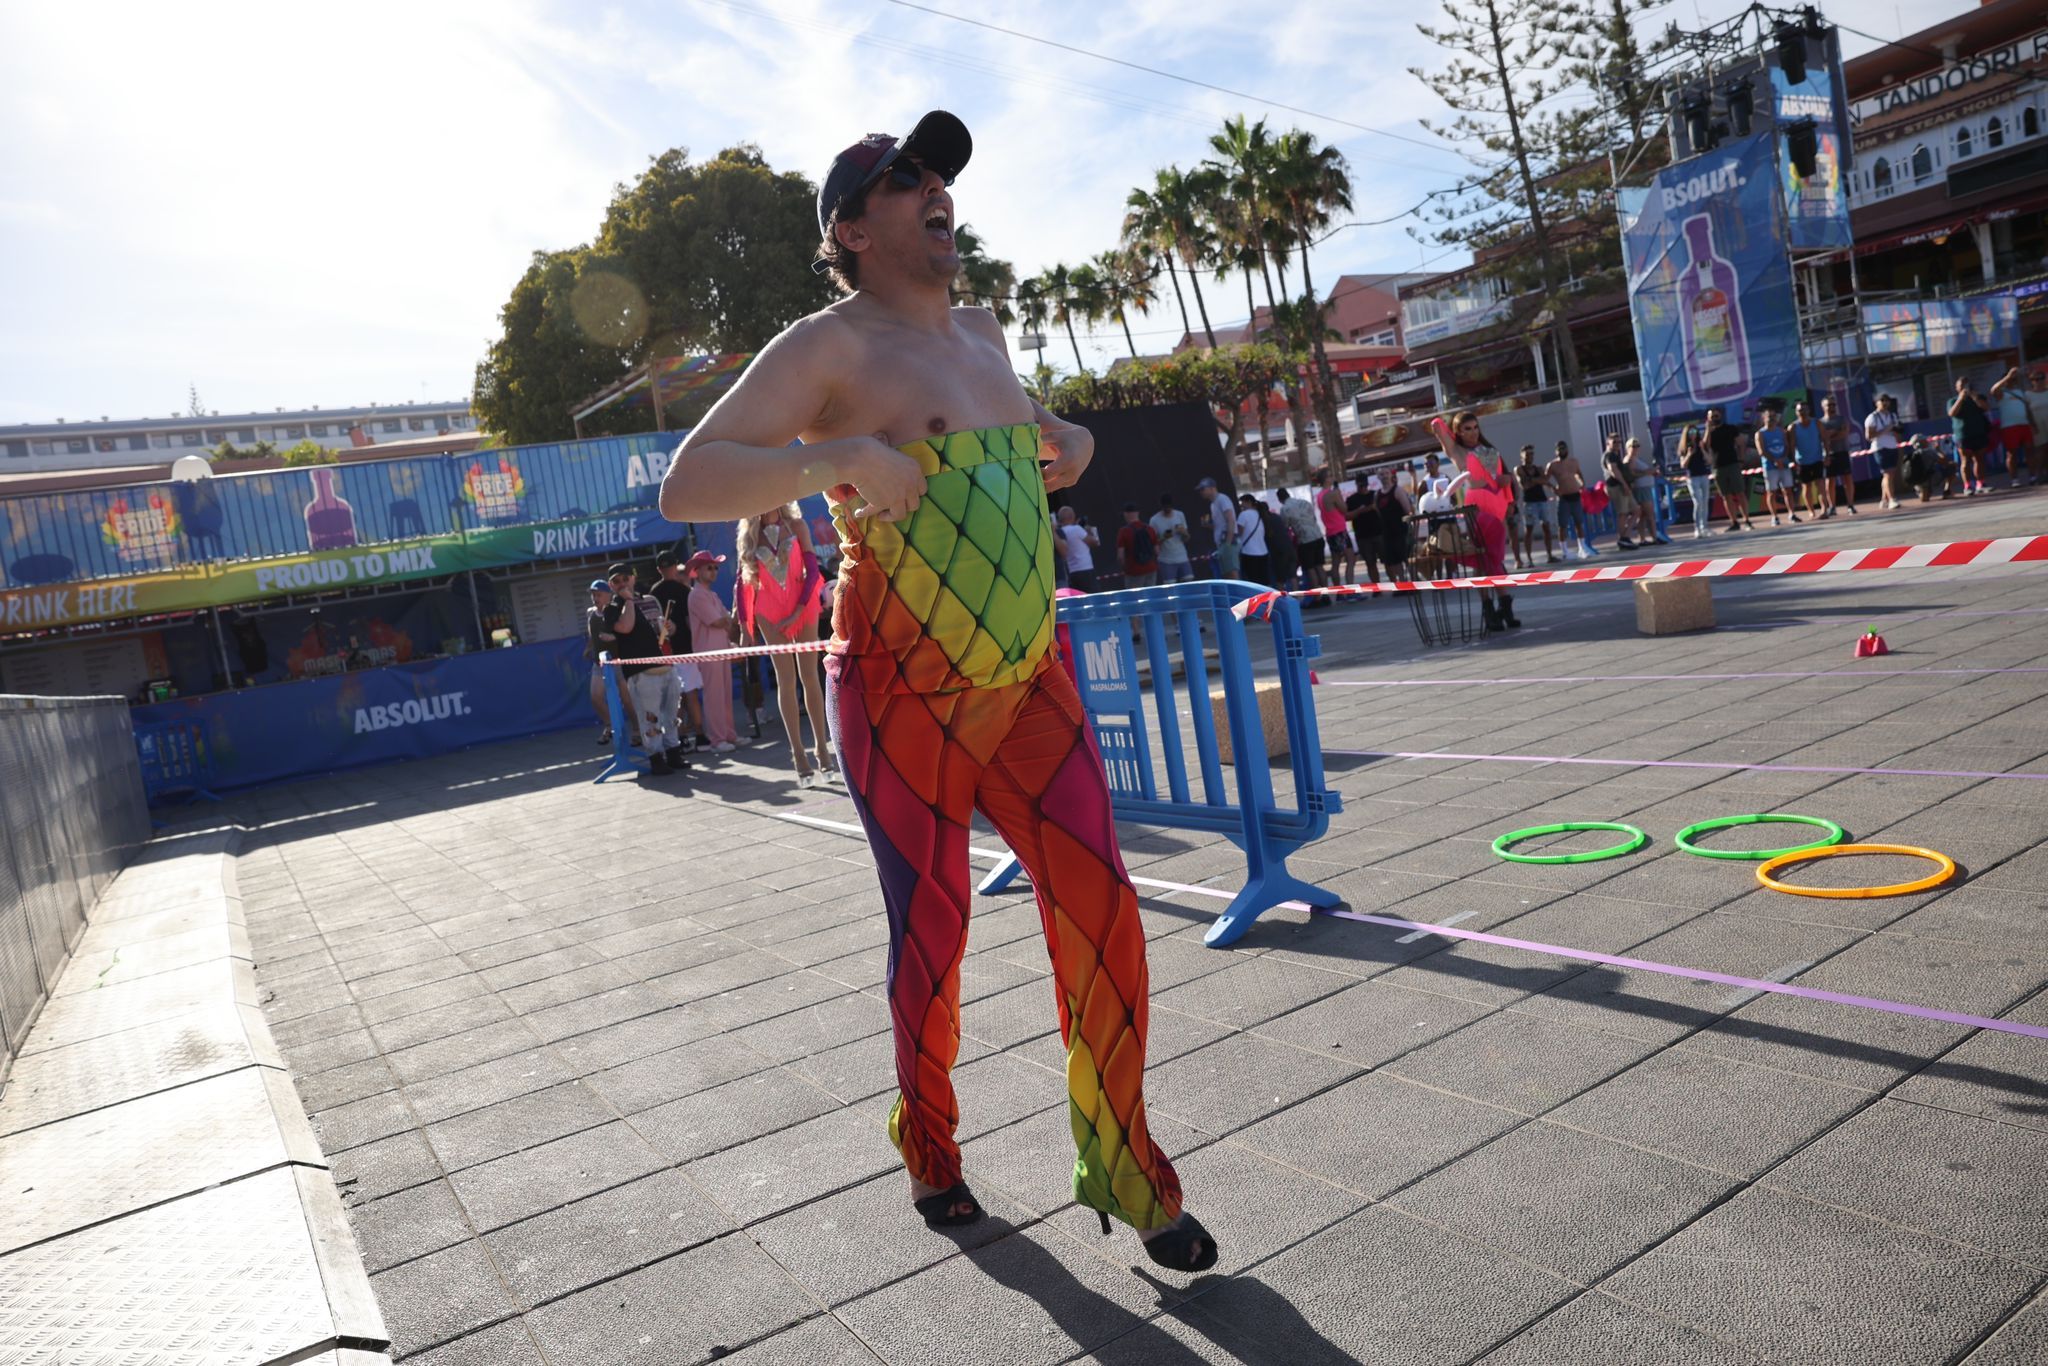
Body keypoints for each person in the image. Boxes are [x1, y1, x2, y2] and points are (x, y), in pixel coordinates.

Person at [657, 110, 1210, 1270]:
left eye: (940, 177)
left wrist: (1067, 438)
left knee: (1103, 912)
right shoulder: (827, 348)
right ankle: (930, 1145)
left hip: (1028, 670)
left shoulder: (985, 330)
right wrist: (838, 459)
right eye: (904, 181)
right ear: (851, 229)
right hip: (899, 678)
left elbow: (1028, 441)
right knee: (932, 930)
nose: (935, 192)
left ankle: (1124, 1161)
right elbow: (688, 481)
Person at [736, 503, 835, 786]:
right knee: (786, 680)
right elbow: (742, 584)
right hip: (769, 610)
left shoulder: (797, 526)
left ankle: (821, 748)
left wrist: (799, 609)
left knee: (810, 677)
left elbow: (814, 571)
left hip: (802, 603)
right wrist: (745, 627)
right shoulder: (749, 536)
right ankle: (797, 754)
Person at [1431, 410, 1519, 630]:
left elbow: (1502, 477)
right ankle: (1496, 608)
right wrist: (1452, 430)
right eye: (1466, 429)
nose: (1472, 432)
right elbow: (1436, 425)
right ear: (1458, 432)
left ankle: (1500, 610)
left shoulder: (1490, 450)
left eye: (1475, 427)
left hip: (1497, 505)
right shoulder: (1457, 451)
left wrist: (1508, 494)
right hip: (1476, 509)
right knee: (1486, 558)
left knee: (1491, 558)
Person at [603, 563, 683, 776]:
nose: (622, 583)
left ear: (633, 578)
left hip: (664, 663)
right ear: (611, 585)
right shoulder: (611, 609)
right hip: (640, 671)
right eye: (616, 581)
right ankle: (656, 758)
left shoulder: (650, 600)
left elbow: (662, 627)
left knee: (671, 713)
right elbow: (625, 627)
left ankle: (674, 752)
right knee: (650, 717)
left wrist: (670, 628)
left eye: (625, 578)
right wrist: (628, 600)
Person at [650, 551, 708, 752]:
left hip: (665, 653)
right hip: (685, 649)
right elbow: (690, 623)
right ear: (676, 566)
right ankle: (700, 736)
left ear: (659, 569)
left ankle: (680, 739)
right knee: (690, 694)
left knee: (675, 698)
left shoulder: (653, 593)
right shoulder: (685, 592)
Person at [684, 551, 740, 753]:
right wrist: (727, 620)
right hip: (708, 653)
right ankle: (717, 739)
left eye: (716, 567)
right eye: (710, 567)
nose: (714, 570)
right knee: (714, 696)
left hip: (721, 650)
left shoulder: (710, 594)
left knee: (724, 695)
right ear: (697, 571)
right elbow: (719, 621)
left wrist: (727, 620)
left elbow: (727, 621)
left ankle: (729, 735)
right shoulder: (697, 594)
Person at [1547, 440, 1596, 558]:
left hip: (1575, 496)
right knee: (1562, 525)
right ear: (1556, 451)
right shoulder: (1553, 465)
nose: (1562, 451)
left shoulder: (1574, 462)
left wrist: (1582, 484)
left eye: (1564, 448)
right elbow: (1545, 479)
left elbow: (1579, 474)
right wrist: (1553, 488)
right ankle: (1565, 551)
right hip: (1564, 498)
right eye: (1559, 449)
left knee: (1579, 523)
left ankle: (1582, 548)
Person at [1705, 407, 1752, 532]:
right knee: (1726, 496)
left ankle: (1746, 520)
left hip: (1732, 464)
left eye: (1716, 415)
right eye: (1712, 417)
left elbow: (1740, 443)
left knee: (1740, 492)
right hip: (1718, 467)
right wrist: (1707, 430)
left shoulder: (1730, 429)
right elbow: (1706, 446)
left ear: (1721, 416)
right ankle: (1734, 522)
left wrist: (1741, 459)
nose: (1715, 418)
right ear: (1708, 419)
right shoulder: (1709, 433)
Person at [584, 579, 619, 744]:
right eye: (593, 595)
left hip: (619, 662)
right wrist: (588, 647)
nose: (595, 598)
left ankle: (636, 730)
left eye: (599, 594)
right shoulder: (591, 613)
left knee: (629, 699)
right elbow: (592, 635)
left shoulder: (615, 611)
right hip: (600, 663)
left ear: (608, 596)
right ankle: (610, 725)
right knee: (595, 697)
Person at [1277, 488, 1326, 603]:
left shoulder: (1285, 509)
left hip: (1305, 539)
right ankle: (1326, 594)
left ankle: (1317, 598)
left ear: (1279, 499)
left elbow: (1286, 526)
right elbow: (1313, 518)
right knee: (1320, 566)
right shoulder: (1304, 502)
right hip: (1318, 536)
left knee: (1310, 569)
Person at [1990, 367, 2034, 490]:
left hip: (2024, 424)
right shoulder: (2002, 392)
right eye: (2009, 379)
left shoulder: (2021, 392)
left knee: (2030, 451)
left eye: (2013, 379)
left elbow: (2028, 409)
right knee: (2012, 453)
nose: (2011, 381)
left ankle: (2033, 476)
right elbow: (1993, 390)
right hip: (2009, 427)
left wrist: (2033, 424)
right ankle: (2014, 479)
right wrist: (2007, 376)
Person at [1513, 444, 1558, 563]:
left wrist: (1533, 480)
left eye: (1532, 454)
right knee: (1529, 530)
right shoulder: (1519, 469)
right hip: (1529, 502)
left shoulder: (1538, 468)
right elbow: (1524, 486)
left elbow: (1545, 480)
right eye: (1527, 454)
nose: (1530, 456)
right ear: (1522, 455)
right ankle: (1529, 558)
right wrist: (1538, 481)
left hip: (1542, 500)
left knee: (1546, 527)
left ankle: (1550, 555)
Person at [1313, 468, 1357, 586]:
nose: (1333, 477)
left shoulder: (1320, 495)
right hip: (1339, 531)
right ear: (1326, 479)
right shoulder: (1332, 494)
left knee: (1336, 562)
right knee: (1351, 559)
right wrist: (1339, 495)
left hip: (1331, 532)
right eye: (1330, 475)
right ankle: (1350, 591)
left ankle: (1339, 592)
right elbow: (1344, 509)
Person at [1949, 378, 1992, 496]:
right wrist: (1960, 399)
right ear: (1957, 388)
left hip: (1978, 433)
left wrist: (1974, 396)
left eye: (1966, 385)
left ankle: (1981, 484)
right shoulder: (1952, 401)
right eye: (1961, 386)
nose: (1964, 388)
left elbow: (1986, 407)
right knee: (1965, 461)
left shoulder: (1977, 397)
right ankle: (1967, 486)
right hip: (1963, 435)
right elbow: (1952, 413)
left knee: (1979, 459)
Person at [1754, 406, 1797, 525]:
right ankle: (1774, 517)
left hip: (1784, 465)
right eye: (1769, 417)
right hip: (1770, 467)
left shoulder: (1781, 431)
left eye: (1773, 416)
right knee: (1771, 492)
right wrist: (1774, 461)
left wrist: (1783, 459)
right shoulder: (1760, 434)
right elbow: (1761, 451)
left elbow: (1787, 446)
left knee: (1787, 490)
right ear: (1764, 418)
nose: (1772, 419)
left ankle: (1792, 514)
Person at [1789, 401, 1828, 520]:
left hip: (1817, 458)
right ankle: (1811, 511)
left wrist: (1826, 454)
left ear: (1809, 410)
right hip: (1802, 461)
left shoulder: (1817, 423)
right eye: (1800, 410)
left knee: (1820, 484)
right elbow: (1792, 445)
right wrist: (1794, 462)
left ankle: (1824, 510)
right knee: (1806, 487)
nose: (1803, 412)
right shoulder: (1793, 427)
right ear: (1796, 412)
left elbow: (1824, 439)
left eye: (1805, 409)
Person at [1818, 396, 1857, 516]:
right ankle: (1832, 507)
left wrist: (1830, 435)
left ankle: (1850, 505)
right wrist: (1833, 433)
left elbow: (1844, 433)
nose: (1831, 407)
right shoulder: (1820, 422)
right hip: (1829, 454)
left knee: (1847, 479)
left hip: (1843, 452)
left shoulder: (1841, 419)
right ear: (1823, 407)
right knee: (1830, 481)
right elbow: (1821, 437)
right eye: (1828, 405)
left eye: (1833, 405)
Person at [1865, 393, 1904, 509]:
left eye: (1887, 400)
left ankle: (1883, 499)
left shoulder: (1892, 416)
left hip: (1892, 446)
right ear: (1876, 402)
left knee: (1890, 475)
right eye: (1882, 400)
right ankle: (1892, 499)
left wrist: (1896, 434)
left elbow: (1897, 431)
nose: (1885, 403)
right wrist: (1885, 430)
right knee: (1887, 473)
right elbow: (1869, 436)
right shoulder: (1872, 417)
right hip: (1880, 447)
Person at [1626, 437, 1668, 545]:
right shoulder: (1630, 459)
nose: (1635, 448)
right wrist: (1648, 472)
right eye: (1633, 446)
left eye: (1637, 446)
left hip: (1645, 487)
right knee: (1650, 513)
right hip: (1640, 488)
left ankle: (1643, 539)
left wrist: (1652, 472)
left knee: (1643, 515)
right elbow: (1631, 474)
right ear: (1628, 448)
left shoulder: (1637, 458)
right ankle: (1655, 537)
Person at [1600, 434, 1638, 549]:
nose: (1617, 444)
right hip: (1617, 486)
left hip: (1622, 485)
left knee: (1636, 510)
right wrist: (1624, 485)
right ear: (1608, 443)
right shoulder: (1609, 455)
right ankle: (1622, 539)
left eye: (1619, 442)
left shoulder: (1615, 455)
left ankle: (1624, 537)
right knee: (1623, 513)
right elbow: (1613, 470)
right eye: (1614, 442)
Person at [1196, 476, 1238, 579]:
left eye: (1203, 489)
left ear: (1212, 488)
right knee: (1226, 574)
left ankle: (1239, 594)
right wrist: (1208, 525)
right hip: (1221, 543)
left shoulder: (1222, 499)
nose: (1201, 492)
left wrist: (1228, 542)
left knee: (1232, 572)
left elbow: (1231, 519)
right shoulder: (1213, 504)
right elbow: (1219, 525)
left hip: (1227, 541)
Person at [1677, 424, 1713, 538]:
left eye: (1695, 432)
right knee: (1698, 502)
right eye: (1690, 432)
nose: (1693, 435)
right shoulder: (1684, 447)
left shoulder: (1701, 444)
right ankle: (1697, 528)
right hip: (1692, 477)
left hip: (1703, 475)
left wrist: (1702, 449)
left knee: (1705, 501)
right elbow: (1683, 464)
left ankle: (1704, 527)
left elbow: (1709, 460)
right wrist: (1689, 454)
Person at [1149, 494, 1193, 584]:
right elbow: (1153, 543)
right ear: (1161, 506)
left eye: (1169, 507)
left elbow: (1187, 538)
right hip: (1166, 560)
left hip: (1182, 557)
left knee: (1189, 581)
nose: (1167, 509)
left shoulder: (1180, 515)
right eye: (1165, 507)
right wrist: (1166, 536)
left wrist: (1184, 533)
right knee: (1170, 587)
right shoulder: (1154, 520)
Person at [1115, 501, 1160, 588]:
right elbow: (1157, 551)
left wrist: (1125, 568)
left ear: (1125, 514)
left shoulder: (1123, 531)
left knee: (1134, 599)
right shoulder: (1149, 529)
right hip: (1151, 569)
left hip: (1133, 572)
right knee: (1150, 596)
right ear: (1138, 513)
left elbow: (1120, 556)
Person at [1055, 504, 1098, 591]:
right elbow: (1094, 542)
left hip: (1071, 571)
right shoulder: (1077, 529)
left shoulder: (1060, 532)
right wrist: (1090, 531)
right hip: (1085, 569)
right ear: (1072, 516)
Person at [1234, 491, 1271, 586]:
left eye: (1242, 502)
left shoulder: (1243, 515)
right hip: (1263, 551)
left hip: (1249, 552)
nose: (1241, 505)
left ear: (1248, 502)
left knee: (1253, 581)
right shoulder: (1259, 514)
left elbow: (1239, 532)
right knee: (1264, 580)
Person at [2027, 371, 2048, 485]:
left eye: (2041, 378)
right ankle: (2038, 474)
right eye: (2036, 379)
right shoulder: (2028, 394)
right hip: (2038, 424)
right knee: (2041, 449)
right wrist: (2032, 425)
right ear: (2032, 381)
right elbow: (2027, 412)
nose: (2039, 381)